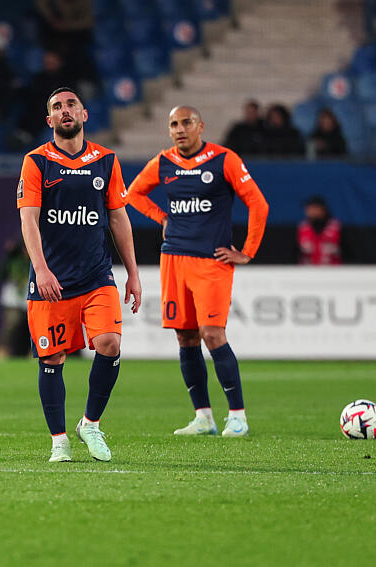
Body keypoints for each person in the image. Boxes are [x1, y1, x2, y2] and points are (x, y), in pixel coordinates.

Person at [127, 105, 269, 437]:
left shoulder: (224, 160)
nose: (179, 129)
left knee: (212, 334)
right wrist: (161, 217)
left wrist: (247, 252)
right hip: (174, 258)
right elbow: (132, 194)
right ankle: (203, 417)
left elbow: (258, 203)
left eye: (186, 122)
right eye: (173, 124)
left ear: (201, 126)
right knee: (185, 336)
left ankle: (238, 416)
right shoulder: (163, 163)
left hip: (211, 262)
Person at [17, 87, 142, 462]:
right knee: (52, 359)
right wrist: (41, 270)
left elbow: (118, 217)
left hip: (95, 276)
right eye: (57, 106)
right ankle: (59, 440)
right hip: (52, 281)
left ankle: (90, 423)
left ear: (84, 114)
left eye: (71, 104)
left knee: (110, 343)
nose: (65, 110)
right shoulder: (36, 161)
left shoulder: (106, 160)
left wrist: (132, 273)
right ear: (49, 120)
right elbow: (29, 218)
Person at [297, 195, 342, 265]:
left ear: (322, 210)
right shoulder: (302, 228)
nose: (309, 211)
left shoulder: (336, 228)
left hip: (333, 272)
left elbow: (348, 254)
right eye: (308, 209)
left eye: (313, 208)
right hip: (306, 272)